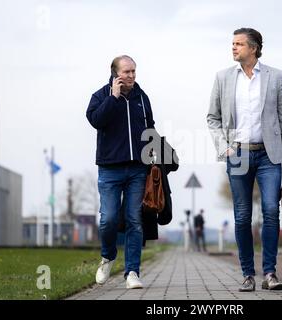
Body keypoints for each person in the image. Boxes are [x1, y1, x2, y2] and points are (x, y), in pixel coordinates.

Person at [207, 28, 282, 292]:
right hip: (238, 154)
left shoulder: (276, 77)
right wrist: (224, 148)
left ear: (254, 48)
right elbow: (212, 117)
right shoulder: (223, 78)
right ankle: (248, 274)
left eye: (239, 44)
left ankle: (269, 273)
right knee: (242, 215)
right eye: (232, 43)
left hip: (270, 155)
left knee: (271, 210)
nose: (233, 48)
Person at [86, 55, 155, 289]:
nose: (132, 76)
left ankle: (132, 272)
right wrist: (113, 98)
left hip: (137, 168)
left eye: (134, 71)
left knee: (134, 220)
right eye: (127, 72)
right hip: (109, 169)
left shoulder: (141, 97)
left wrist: (154, 156)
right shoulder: (100, 96)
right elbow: (96, 120)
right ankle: (107, 256)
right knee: (108, 219)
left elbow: (150, 127)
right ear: (115, 73)